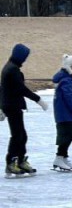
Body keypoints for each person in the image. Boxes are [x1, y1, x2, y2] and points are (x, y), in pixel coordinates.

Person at [1, 43, 48, 176]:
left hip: (12, 105)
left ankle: (20, 161)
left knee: (21, 135)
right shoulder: (12, 70)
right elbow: (21, 89)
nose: (25, 59)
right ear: (19, 56)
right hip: (12, 106)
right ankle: (11, 162)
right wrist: (38, 99)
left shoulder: (11, 67)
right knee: (17, 135)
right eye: (24, 56)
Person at [52, 54, 72, 172]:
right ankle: (59, 157)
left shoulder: (67, 78)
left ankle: (64, 157)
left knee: (68, 135)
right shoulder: (66, 80)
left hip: (64, 114)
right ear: (68, 66)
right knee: (68, 136)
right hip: (66, 114)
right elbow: (69, 98)